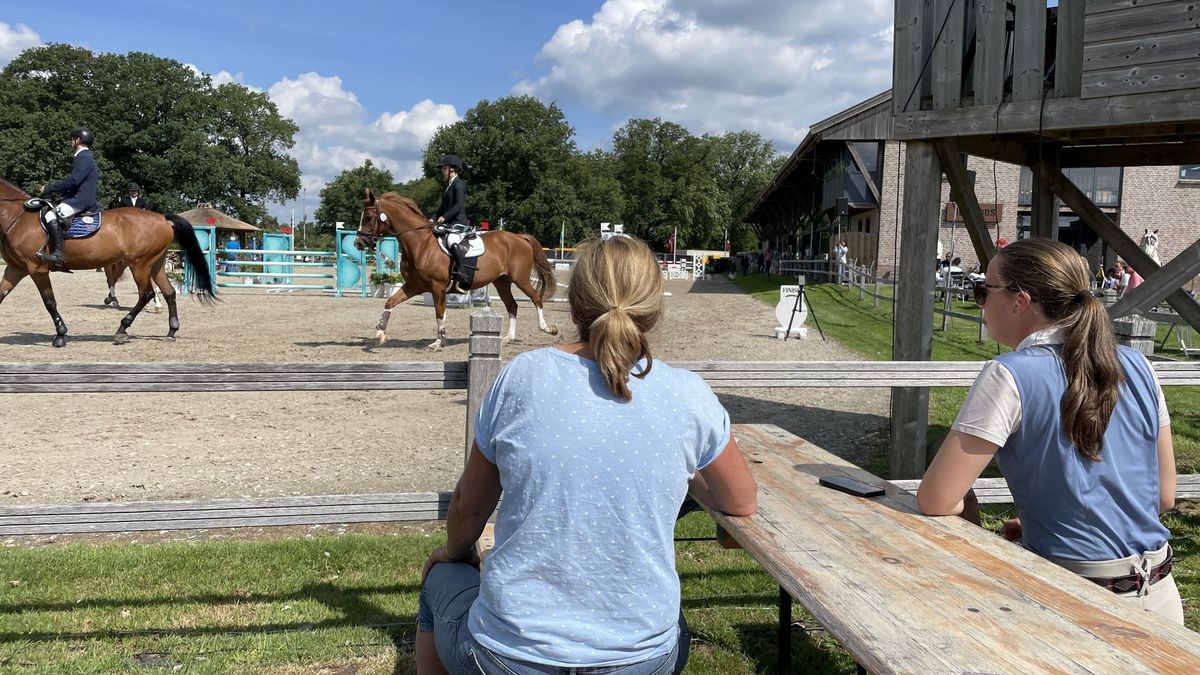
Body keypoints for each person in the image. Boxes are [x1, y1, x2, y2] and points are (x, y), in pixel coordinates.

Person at [416, 235, 758, 673]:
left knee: (440, 581)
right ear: (653, 311)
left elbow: (468, 505)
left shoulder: (523, 377)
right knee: (672, 626)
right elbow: (742, 501)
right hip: (640, 661)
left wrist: (456, 551)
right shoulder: (689, 395)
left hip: (509, 656)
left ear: (576, 305)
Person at [917, 239, 1181, 624]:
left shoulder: (1008, 375)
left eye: (983, 291)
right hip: (1159, 596)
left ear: (1019, 300)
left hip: (1072, 601)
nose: (980, 301)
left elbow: (937, 499)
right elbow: (1163, 496)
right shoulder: (1139, 366)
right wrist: (1053, 516)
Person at [37, 127, 99, 268]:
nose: (71, 142)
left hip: (80, 200)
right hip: (78, 197)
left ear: (78, 140)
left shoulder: (83, 156)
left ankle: (58, 253)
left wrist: (49, 187)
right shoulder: (86, 156)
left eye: (72, 139)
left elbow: (74, 181)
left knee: (50, 217)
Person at [431, 153, 473, 290]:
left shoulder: (459, 184)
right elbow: (442, 206)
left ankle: (462, 271)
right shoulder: (448, 186)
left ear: (452, 169)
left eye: (444, 168)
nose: (442, 170)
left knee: (452, 241)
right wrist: (434, 217)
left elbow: (459, 205)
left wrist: (445, 217)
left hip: (458, 223)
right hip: (448, 222)